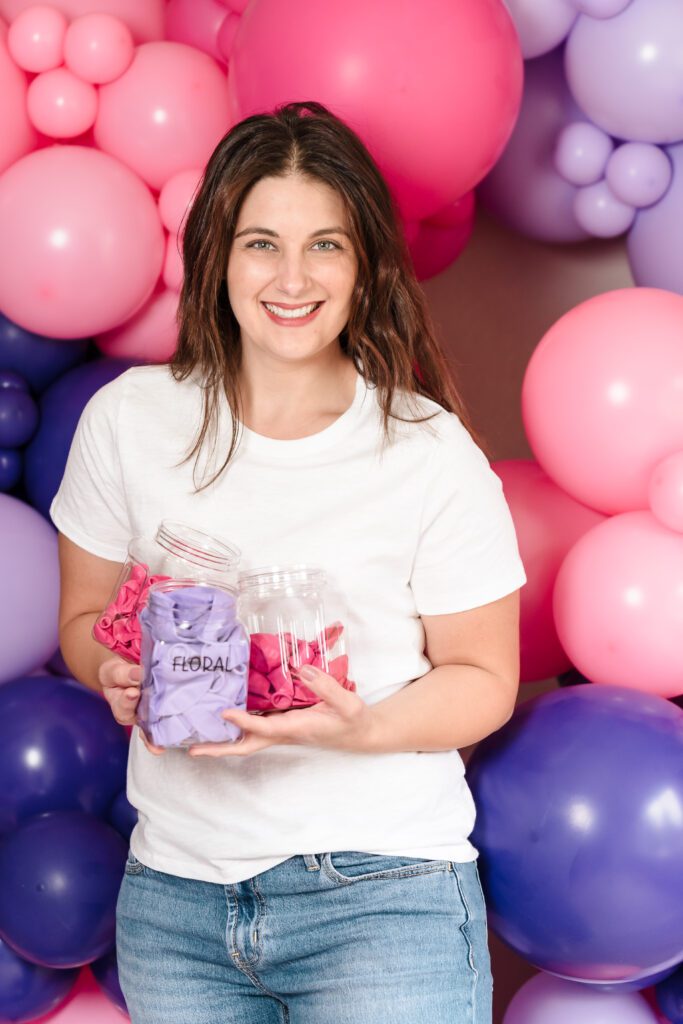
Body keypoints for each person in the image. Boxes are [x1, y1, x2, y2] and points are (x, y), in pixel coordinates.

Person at [51, 102, 526, 1024]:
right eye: (262, 243)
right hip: (176, 900)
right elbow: (82, 620)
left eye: (327, 246)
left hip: (383, 896)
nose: (293, 277)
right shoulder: (132, 420)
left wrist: (354, 728)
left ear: (364, 266)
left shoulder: (424, 450)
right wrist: (110, 668)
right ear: (218, 256)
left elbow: (485, 678)